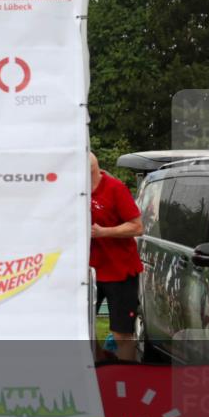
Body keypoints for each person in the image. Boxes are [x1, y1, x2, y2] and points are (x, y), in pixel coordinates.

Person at [90, 154, 143, 361]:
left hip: (120, 272)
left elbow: (137, 227)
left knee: (121, 334)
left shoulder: (115, 188)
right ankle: (99, 368)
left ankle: (125, 374)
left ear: (92, 170)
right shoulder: (74, 192)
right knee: (82, 330)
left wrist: (104, 232)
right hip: (88, 273)